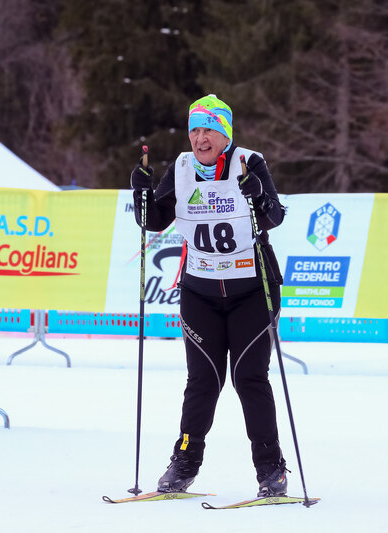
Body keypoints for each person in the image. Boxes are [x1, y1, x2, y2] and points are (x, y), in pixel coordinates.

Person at [130, 94, 289, 496]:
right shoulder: (182, 167)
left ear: (225, 134)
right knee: (202, 380)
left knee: (249, 377)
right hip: (199, 292)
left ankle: (271, 469)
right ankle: (184, 462)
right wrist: (141, 193)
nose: (200, 138)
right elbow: (153, 220)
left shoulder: (248, 162)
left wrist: (257, 193)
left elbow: (274, 216)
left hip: (252, 290)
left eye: (209, 130)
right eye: (195, 130)